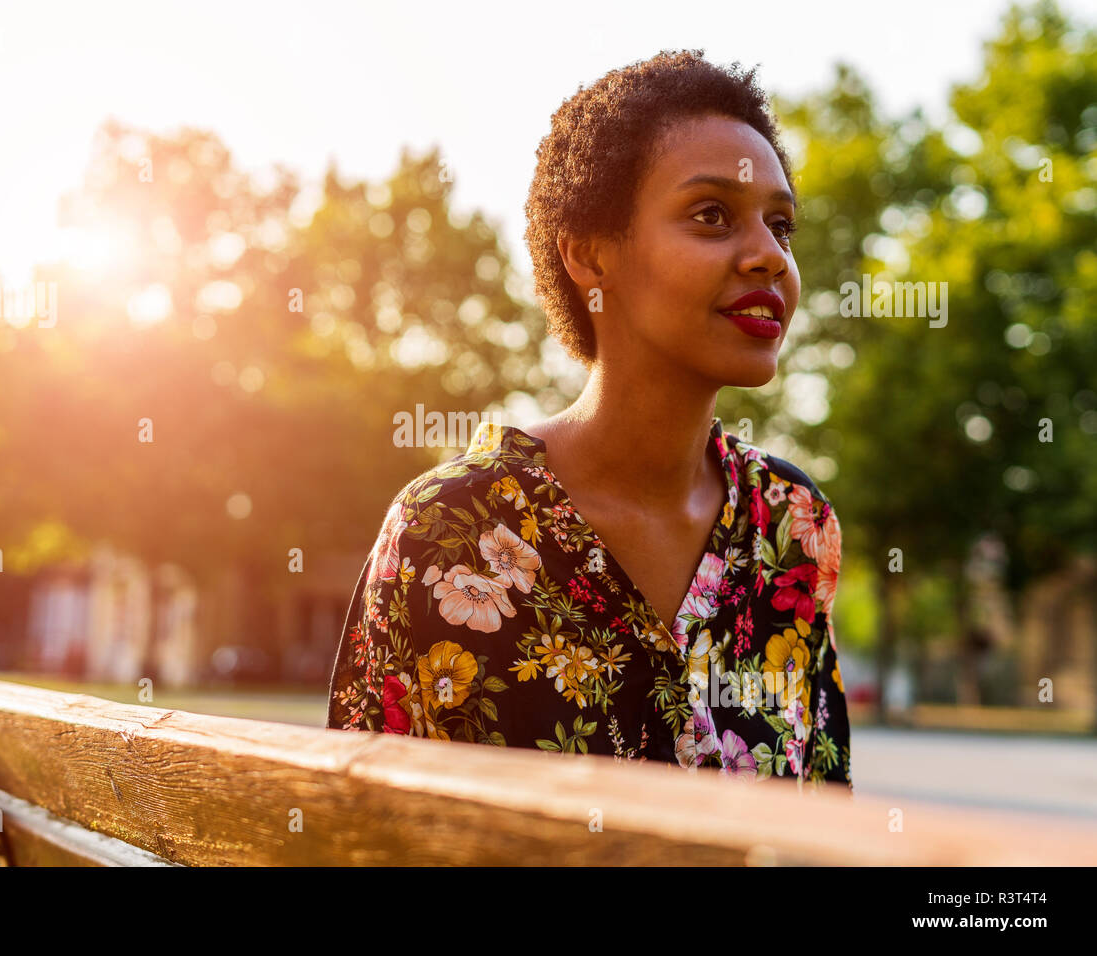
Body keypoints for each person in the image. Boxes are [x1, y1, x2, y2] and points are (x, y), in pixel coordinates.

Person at [326, 49, 851, 791]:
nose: (770, 256)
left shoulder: (794, 526)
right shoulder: (448, 529)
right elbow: (360, 827)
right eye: (712, 216)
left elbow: (824, 810)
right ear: (588, 255)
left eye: (781, 226)